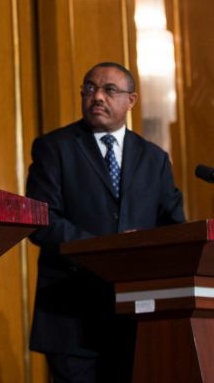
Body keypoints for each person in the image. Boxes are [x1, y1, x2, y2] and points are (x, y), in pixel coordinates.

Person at [27, 62, 185, 383]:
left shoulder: (154, 159)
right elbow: (42, 221)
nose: (97, 96)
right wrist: (105, 250)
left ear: (132, 100)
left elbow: (174, 228)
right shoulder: (54, 147)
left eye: (109, 90)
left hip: (136, 318)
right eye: (89, 89)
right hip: (72, 318)